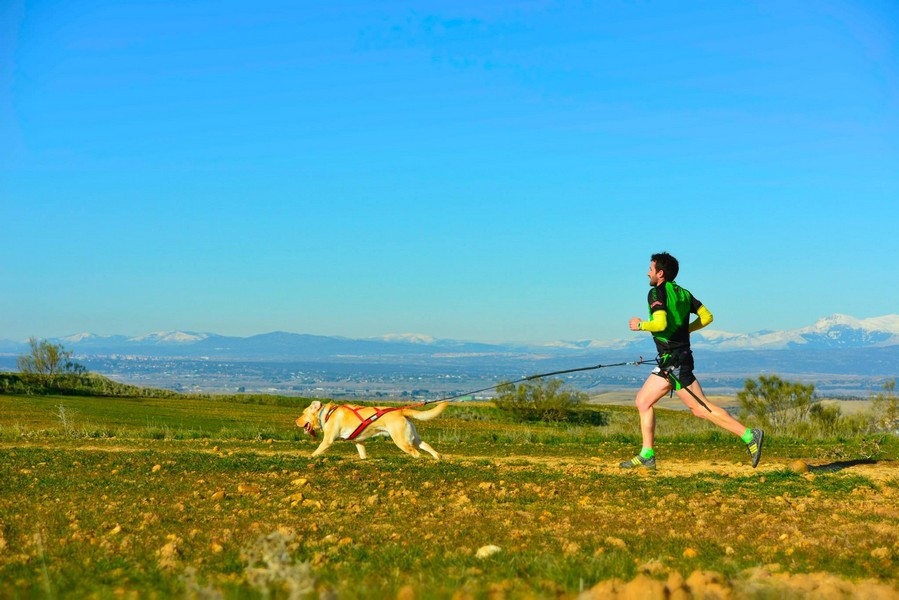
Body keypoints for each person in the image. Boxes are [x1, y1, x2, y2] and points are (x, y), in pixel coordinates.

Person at [620, 252, 763, 470]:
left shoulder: (656, 292)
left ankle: (748, 435)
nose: (647, 272)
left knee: (700, 408)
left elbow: (659, 323)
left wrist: (640, 325)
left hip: (675, 363)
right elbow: (707, 317)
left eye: (650, 269)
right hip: (671, 361)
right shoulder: (684, 293)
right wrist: (685, 329)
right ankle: (647, 454)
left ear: (660, 273)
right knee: (643, 402)